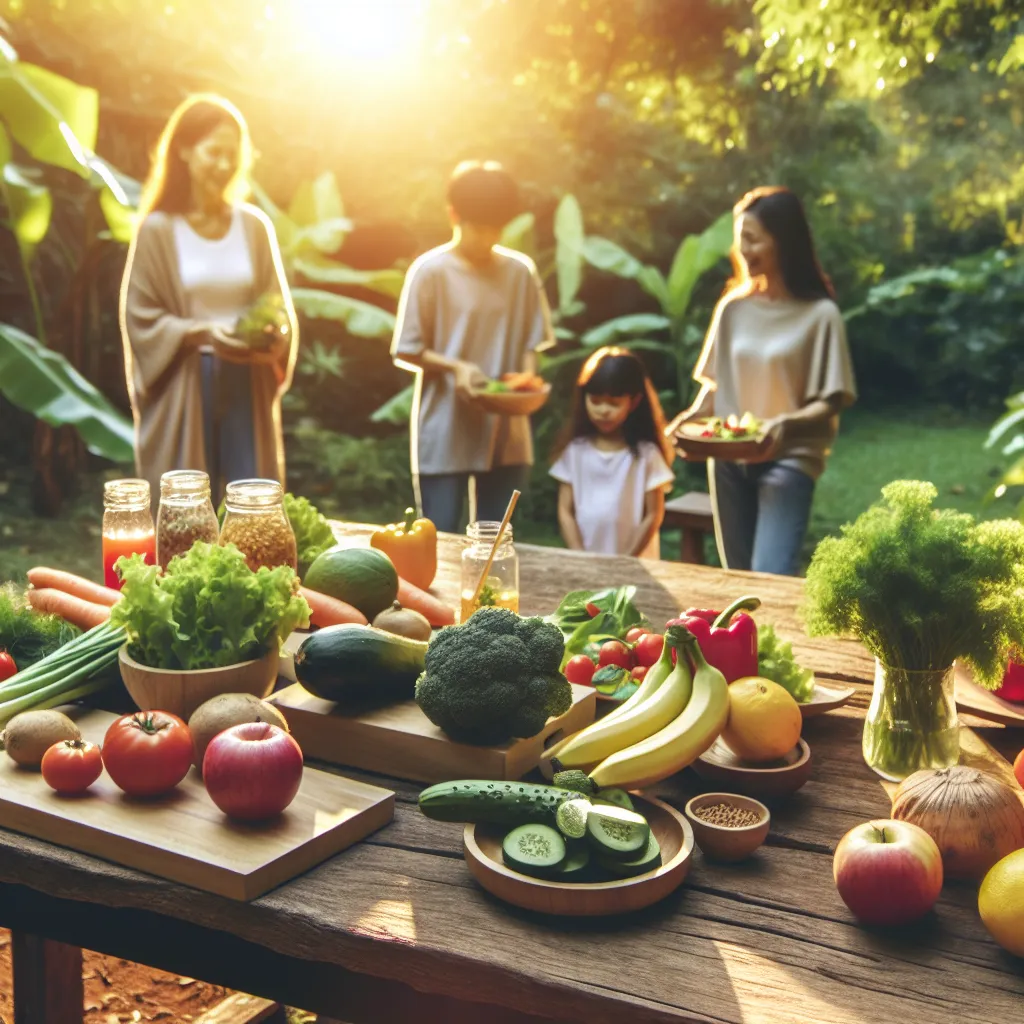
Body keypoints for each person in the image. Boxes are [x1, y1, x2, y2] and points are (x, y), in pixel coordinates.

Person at [667, 186, 856, 576]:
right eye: (740, 242)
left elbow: (832, 399)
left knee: (769, 574)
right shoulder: (732, 308)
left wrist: (783, 424)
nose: (744, 251)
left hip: (788, 461)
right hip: (727, 461)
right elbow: (715, 387)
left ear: (783, 241)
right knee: (738, 579)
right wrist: (687, 420)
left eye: (753, 240)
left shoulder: (821, 314)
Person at [119, 94, 298, 502]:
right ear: (184, 150)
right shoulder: (158, 230)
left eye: (232, 154)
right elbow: (141, 316)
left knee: (251, 508)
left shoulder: (254, 226)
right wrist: (202, 333)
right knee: (189, 511)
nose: (223, 165)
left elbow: (277, 305)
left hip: (247, 379)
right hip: (186, 380)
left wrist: (272, 334)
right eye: (213, 152)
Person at [391, 160, 554, 533]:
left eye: (496, 228)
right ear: (454, 214)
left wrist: (527, 379)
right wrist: (458, 368)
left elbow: (533, 341)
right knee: (440, 540)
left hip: (507, 430)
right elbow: (407, 348)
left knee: (496, 543)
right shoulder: (430, 271)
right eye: (479, 228)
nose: (488, 238)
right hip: (445, 427)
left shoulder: (519, 272)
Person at [552, 347, 675, 559]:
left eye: (614, 403)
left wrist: (627, 558)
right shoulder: (576, 451)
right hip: (585, 562)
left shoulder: (646, 455)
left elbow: (653, 514)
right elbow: (565, 510)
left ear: (634, 401)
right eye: (595, 401)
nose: (603, 410)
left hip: (635, 563)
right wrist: (579, 555)